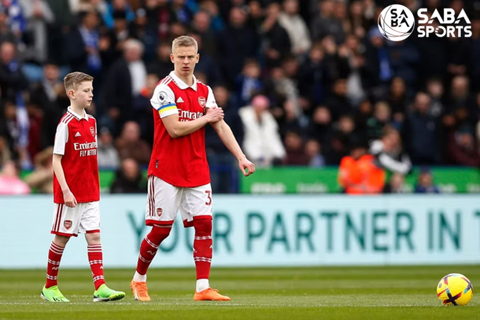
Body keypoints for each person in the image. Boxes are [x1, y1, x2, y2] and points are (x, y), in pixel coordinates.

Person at [130, 35, 255, 302]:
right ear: (172, 57)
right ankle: (139, 279)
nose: (186, 61)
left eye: (190, 57)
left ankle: (202, 287)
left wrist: (241, 157)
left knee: (204, 225)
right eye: (181, 56)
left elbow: (220, 125)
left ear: (197, 58)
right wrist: (205, 118)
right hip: (166, 168)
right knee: (161, 229)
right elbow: (174, 129)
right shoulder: (164, 89)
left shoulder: (205, 91)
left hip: (196, 167)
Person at [41, 72, 125, 303]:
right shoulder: (65, 125)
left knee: (95, 236)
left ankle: (100, 286)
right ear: (72, 93)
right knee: (61, 238)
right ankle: (49, 286)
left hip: (91, 191)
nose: (91, 94)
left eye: (91, 89)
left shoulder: (92, 122)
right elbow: (56, 160)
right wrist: (66, 190)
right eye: (86, 90)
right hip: (71, 193)